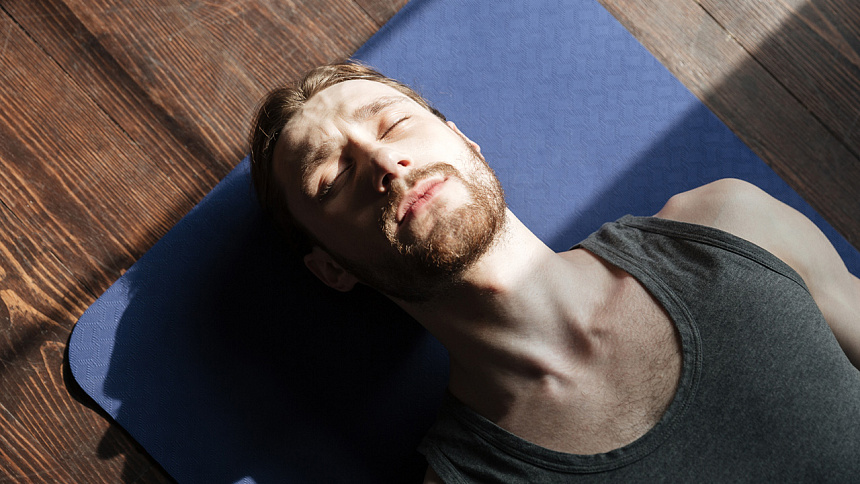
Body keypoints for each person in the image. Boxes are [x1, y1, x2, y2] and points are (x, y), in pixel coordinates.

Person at [249, 62, 860, 482]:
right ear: (332, 269)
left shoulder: (733, 223)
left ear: (465, 141)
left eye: (393, 123)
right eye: (331, 179)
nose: (384, 160)